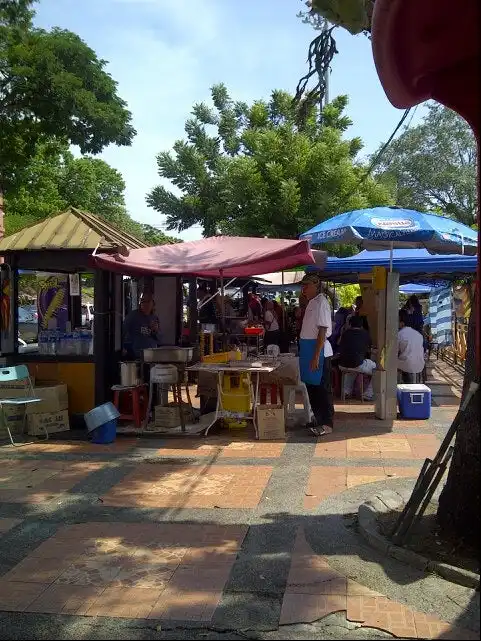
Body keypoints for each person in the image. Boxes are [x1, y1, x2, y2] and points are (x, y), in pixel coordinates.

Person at [298, 273, 334, 436]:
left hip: (318, 352)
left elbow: (322, 330)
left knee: (321, 389)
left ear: (316, 285)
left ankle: (326, 423)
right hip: (308, 350)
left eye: (307, 285)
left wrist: (315, 355)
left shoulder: (321, 302)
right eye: (302, 285)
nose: (303, 288)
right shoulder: (311, 302)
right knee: (311, 387)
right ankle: (318, 419)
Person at [338, 315, 376, 400]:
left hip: (341, 364)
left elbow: (339, 343)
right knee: (377, 369)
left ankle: (346, 392)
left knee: (352, 368)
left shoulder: (345, 333)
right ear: (361, 325)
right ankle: (368, 394)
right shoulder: (365, 334)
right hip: (357, 364)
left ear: (350, 324)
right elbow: (369, 349)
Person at [122, 292, 161, 359]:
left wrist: (156, 330)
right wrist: (122, 347)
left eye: (148, 302)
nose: (145, 304)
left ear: (153, 304)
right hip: (136, 355)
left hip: (152, 355)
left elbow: (159, 338)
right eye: (143, 302)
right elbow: (122, 331)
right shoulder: (133, 316)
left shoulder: (154, 318)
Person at [398, 309, 425, 383]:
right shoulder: (418, 334)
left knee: (390, 363)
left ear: (402, 323)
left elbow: (394, 351)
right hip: (420, 365)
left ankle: (393, 388)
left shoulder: (399, 334)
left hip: (406, 366)